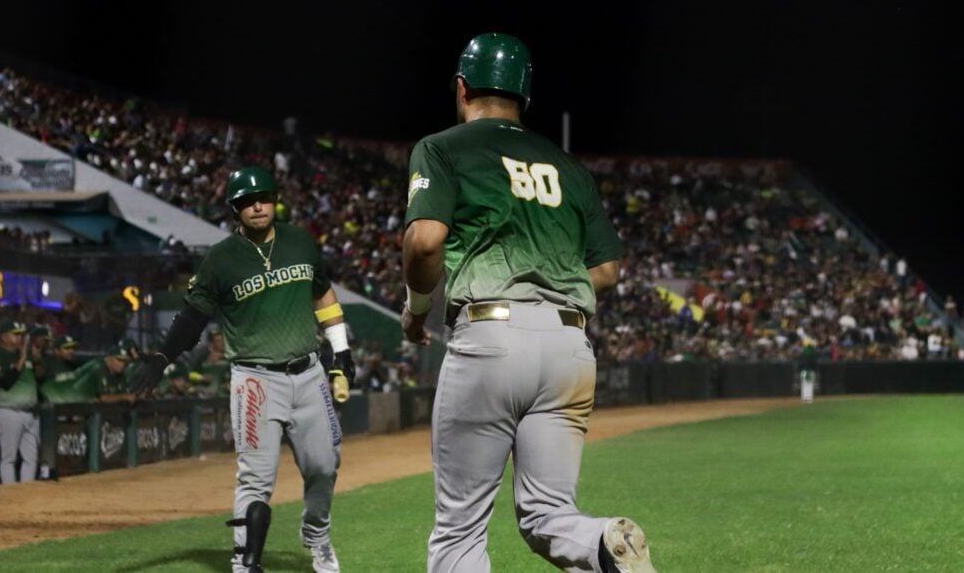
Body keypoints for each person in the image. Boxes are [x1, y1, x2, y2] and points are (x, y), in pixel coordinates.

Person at [401, 32, 656, 573]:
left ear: (462, 88)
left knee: (461, 529)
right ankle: (601, 543)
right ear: (525, 99)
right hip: (568, 345)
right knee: (547, 515)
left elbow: (424, 242)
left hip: (490, 336)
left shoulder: (443, 147)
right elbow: (607, 271)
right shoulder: (567, 166)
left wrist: (417, 308)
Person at [129, 165, 356, 573]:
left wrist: (342, 352)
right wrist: (163, 356)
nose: (257, 206)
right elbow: (193, 316)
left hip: (309, 374)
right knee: (255, 477)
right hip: (255, 379)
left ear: (275, 198)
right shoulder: (221, 260)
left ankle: (317, 532)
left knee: (325, 465)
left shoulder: (300, 242)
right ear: (235, 209)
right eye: (247, 202)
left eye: (264, 198)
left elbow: (323, 295)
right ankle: (243, 561)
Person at [0, 321, 40, 483]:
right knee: (9, 459)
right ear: (4, 337)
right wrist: (22, 358)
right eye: (16, 334)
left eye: (21, 334)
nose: (20, 337)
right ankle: (9, 498)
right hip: (8, 411)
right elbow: (5, 382)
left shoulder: (27, 354)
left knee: (31, 458)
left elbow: (40, 377)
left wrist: (37, 357)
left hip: (30, 412)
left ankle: (25, 497)